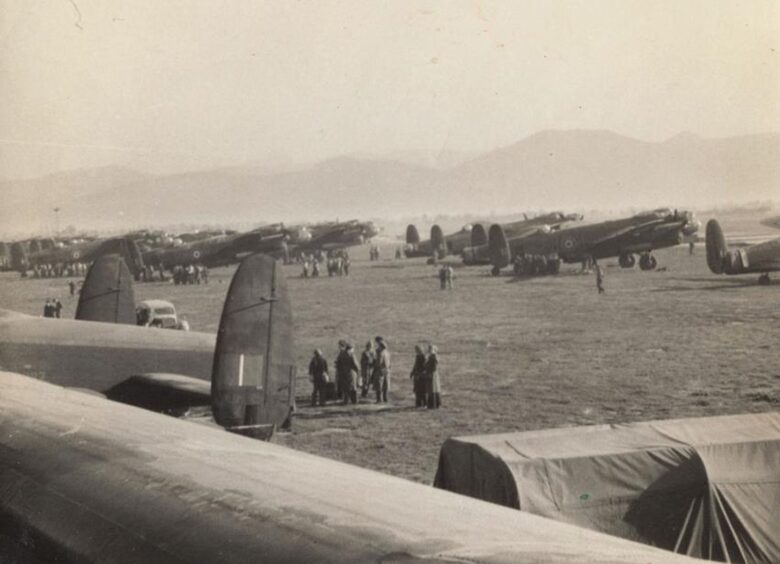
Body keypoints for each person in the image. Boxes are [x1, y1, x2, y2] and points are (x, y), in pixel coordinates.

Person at [372, 336, 390, 403]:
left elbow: (378, 362)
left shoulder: (380, 353)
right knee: (386, 384)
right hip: (387, 370)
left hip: (380, 370)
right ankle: (385, 398)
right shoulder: (387, 352)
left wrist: (374, 364)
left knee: (379, 385)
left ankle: (379, 399)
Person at [425, 344, 441, 409]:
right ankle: (432, 404)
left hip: (432, 375)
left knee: (433, 389)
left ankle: (433, 405)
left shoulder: (434, 357)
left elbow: (434, 367)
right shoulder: (431, 356)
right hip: (431, 374)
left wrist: (430, 373)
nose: (429, 350)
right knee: (431, 389)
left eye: (430, 349)